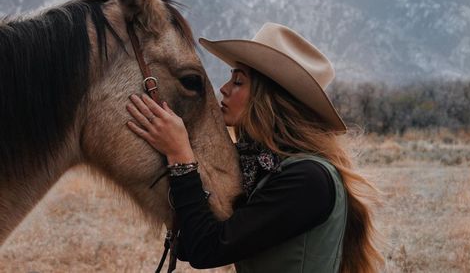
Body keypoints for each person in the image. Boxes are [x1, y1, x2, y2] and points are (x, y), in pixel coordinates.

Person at [126, 23, 383, 272]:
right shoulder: (260, 168)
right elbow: (187, 245)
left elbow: (206, 249)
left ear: (270, 99)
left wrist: (180, 157)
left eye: (238, 82)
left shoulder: (307, 180)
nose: (223, 89)